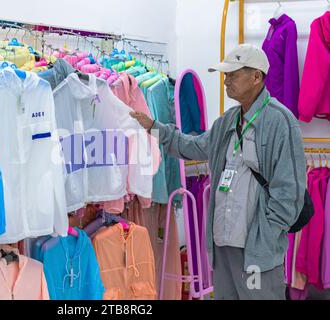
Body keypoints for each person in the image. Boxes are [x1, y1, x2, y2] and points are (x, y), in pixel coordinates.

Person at [130, 44, 306, 300]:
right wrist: (154, 128)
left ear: (256, 77)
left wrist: (266, 234)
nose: (226, 80)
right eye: (225, 74)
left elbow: (290, 193)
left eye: (233, 74)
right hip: (223, 246)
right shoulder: (228, 120)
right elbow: (191, 146)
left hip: (257, 250)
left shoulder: (281, 121)